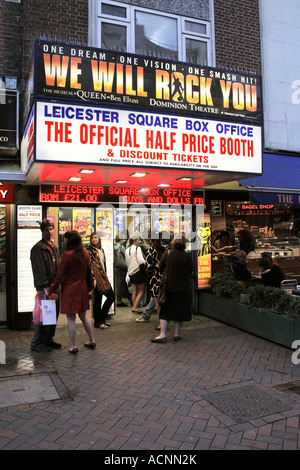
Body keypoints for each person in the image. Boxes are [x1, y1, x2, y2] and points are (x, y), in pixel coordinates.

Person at [49, 230, 96, 353]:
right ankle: (92, 340)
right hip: (82, 288)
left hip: (70, 290)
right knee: (83, 316)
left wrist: (51, 289)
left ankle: (74, 346)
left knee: (71, 319)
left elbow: (59, 276)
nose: (63, 240)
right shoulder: (85, 253)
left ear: (69, 240)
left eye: (65, 238)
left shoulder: (67, 254)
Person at [151, 235, 194, 343]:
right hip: (184, 288)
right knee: (179, 312)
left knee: (165, 311)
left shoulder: (168, 254)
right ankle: (176, 334)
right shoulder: (187, 256)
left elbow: (160, 268)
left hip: (169, 287)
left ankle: (162, 335)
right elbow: (190, 271)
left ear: (173, 243)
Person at [30, 219, 61, 352]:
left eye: (51, 229)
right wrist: (45, 287)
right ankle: (37, 342)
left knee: (53, 315)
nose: (49, 232)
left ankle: (48, 339)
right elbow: (38, 269)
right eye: (46, 229)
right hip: (45, 288)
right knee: (43, 316)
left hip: (54, 286)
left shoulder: (53, 247)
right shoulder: (38, 248)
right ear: (42, 231)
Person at [87, 232, 115, 329]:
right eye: (92, 238)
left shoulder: (101, 249)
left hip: (103, 276)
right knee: (97, 300)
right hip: (96, 278)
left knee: (111, 297)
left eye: (95, 237)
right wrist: (93, 278)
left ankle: (102, 318)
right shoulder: (89, 250)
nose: (94, 239)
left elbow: (103, 263)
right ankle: (98, 322)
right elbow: (89, 265)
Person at [136, 233, 165, 323]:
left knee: (156, 300)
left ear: (151, 240)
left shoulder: (151, 251)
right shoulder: (164, 249)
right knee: (159, 298)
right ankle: (147, 315)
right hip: (164, 277)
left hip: (155, 278)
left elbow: (149, 267)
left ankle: (161, 322)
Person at [125, 232, 147, 313]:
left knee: (134, 290)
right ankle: (135, 307)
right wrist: (146, 263)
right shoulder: (138, 249)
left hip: (131, 272)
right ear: (135, 241)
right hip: (138, 272)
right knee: (141, 291)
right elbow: (141, 261)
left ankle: (134, 306)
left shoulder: (127, 249)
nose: (139, 242)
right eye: (138, 240)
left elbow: (127, 262)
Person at [114, 235, 131, 307]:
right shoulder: (121, 247)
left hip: (117, 267)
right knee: (121, 284)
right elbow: (126, 256)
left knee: (123, 283)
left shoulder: (114, 247)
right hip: (122, 267)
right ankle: (119, 301)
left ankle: (130, 299)